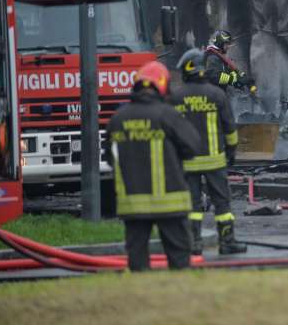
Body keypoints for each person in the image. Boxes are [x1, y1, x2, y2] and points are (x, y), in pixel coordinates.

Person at [105, 61, 200, 271]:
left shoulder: (117, 119)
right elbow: (193, 146)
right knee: (180, 260)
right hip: (170, 203)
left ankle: (142, 295)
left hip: (133, 204)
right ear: (162, 85)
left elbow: (110, 158)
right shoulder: (167, 115)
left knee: (137, 261)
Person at [170, 49, 247, 255]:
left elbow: (171, 131)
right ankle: (227, 242)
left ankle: (193, 243)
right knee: (222, 203)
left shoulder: (176, 97)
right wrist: (231, 153)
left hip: (188, 162)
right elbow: (230, 129)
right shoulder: (217, 95)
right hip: (215, 161)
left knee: (192, 206)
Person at [204, 29, 257, 94]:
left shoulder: (220, 58)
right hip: (211, 95)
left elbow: (231, 71)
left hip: (219, 94)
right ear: (220, 43)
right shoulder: (212, 57)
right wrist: (233, 80)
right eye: (226, 44)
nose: (228, 46)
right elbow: (215, 76)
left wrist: (244, 79)